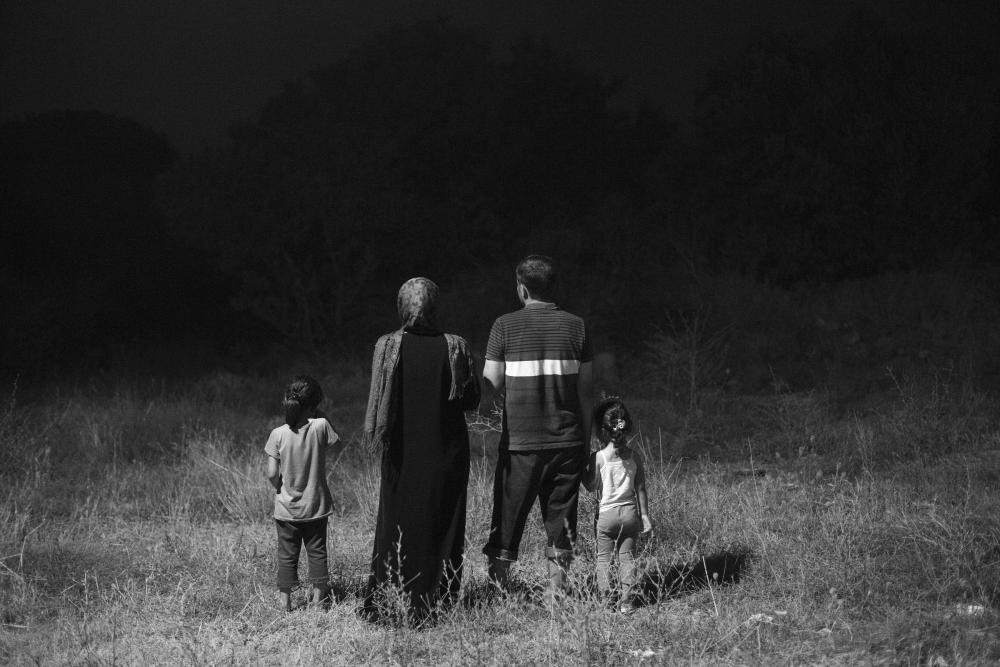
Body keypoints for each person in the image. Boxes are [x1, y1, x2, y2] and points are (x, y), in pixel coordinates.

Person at [362, 277, 481, 621]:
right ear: (435, 306)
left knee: (397, 521)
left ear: (402, 306)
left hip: (401, 453)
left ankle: (391, 596)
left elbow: (380, 403)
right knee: (443, 521)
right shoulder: (455, 345)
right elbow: (471, 401)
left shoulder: (387, 346)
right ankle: (439, 598)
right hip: (447, 452)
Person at [482, 255, 593, 597]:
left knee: (507, 518)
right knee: (561, 521)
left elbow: (491, 386)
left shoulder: (504, 325)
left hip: (520, 445)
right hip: (568, 442)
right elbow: (587, 392)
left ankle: (498, 591)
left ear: (522, 289)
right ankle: (557, 595)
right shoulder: (578, 326)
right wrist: (586, 445)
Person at [264, 375, 340, 611]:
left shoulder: (278, 433)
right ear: (316, 404)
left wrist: (279, 486)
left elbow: (271, 472)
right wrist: (321, 415)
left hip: (286, 508)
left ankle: (285, 603)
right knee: (317, 552)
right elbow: (335, 442)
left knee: (287, 554)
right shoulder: (321, 426)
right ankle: (318, 602)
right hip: (316, 505)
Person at [583, 396, 653, 614]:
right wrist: (645, 517)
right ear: (626, 427)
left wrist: (582, 468)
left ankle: (605, 602)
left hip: (607, 516)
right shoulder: (635, 457)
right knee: (627, 559)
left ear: (602, 431)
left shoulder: (599, 458)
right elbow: (640, 488)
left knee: (603, 559)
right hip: (631, 514)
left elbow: (591, 486)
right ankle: (627, 602)